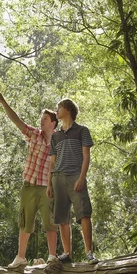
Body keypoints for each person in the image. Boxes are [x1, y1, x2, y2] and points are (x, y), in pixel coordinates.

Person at [0, 91, 58, 268]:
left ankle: (53, 257)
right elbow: (17, 121)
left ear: (53, 123)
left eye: (44, 119)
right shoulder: (34, 135)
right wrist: (4, 102)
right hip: (29, 186)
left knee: (50, 223)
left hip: (47, 189)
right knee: (25, 222)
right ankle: (20, 257)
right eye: (41, 118)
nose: (41, 121)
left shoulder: (58, 143)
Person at [47, 97, 98, 264]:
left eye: (59, 107)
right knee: (61, 217)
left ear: (68, 110)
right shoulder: (55, 136)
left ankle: (89, 253)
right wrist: (49, 183)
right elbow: (52, 162)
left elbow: (86, 156)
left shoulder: (82, 131)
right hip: (58, 178)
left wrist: (82, 177)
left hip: (76, 176)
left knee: (84, 213)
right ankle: (67, 254)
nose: (56, 110)